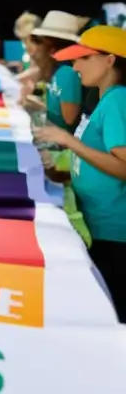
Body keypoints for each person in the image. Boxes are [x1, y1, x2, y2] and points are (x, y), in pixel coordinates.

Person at [34, 26, 126, 321]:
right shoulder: (106, 99)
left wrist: (69, 141)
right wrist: (60, 175)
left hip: (115, 233)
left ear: (110, 60)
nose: (74, 67)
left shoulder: (117, 101)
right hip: (101, 225)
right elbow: (97, 161)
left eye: (83, 59)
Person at [23, 11, 85, 132]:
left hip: (61, 146)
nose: (35, 48)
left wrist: (39, 107)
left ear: (52, 48)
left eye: (39, 41)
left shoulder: (67, 73)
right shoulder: (54, 71)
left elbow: (69, 121)